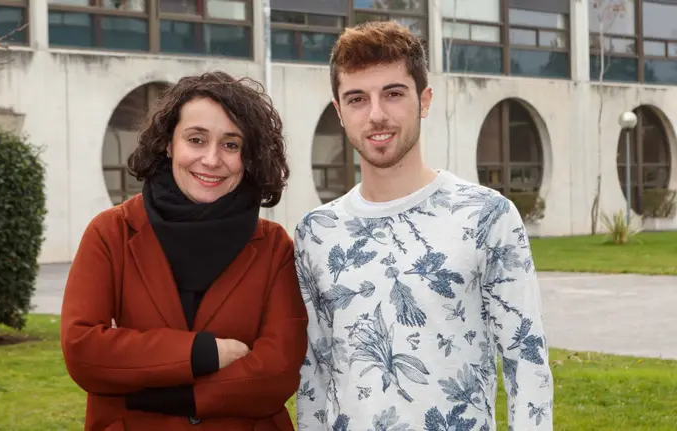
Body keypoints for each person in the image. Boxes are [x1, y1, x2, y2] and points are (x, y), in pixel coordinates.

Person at [294, 21, 554, 430]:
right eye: (357, 99)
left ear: (425, 99)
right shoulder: (316, 232)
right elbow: (315, 371)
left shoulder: (486, 215)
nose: (377, 114)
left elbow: (526, 361)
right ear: (339, 111)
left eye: (393, 94)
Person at [60, 71, 308, 431]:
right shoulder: (110, 232)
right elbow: (83, 349)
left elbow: (279, 370)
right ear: (168, 144)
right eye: (196, 139)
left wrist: (175, 397)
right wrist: (205, 354)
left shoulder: (274, 246)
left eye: (231, 144)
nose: (211, 159)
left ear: (248, 156)